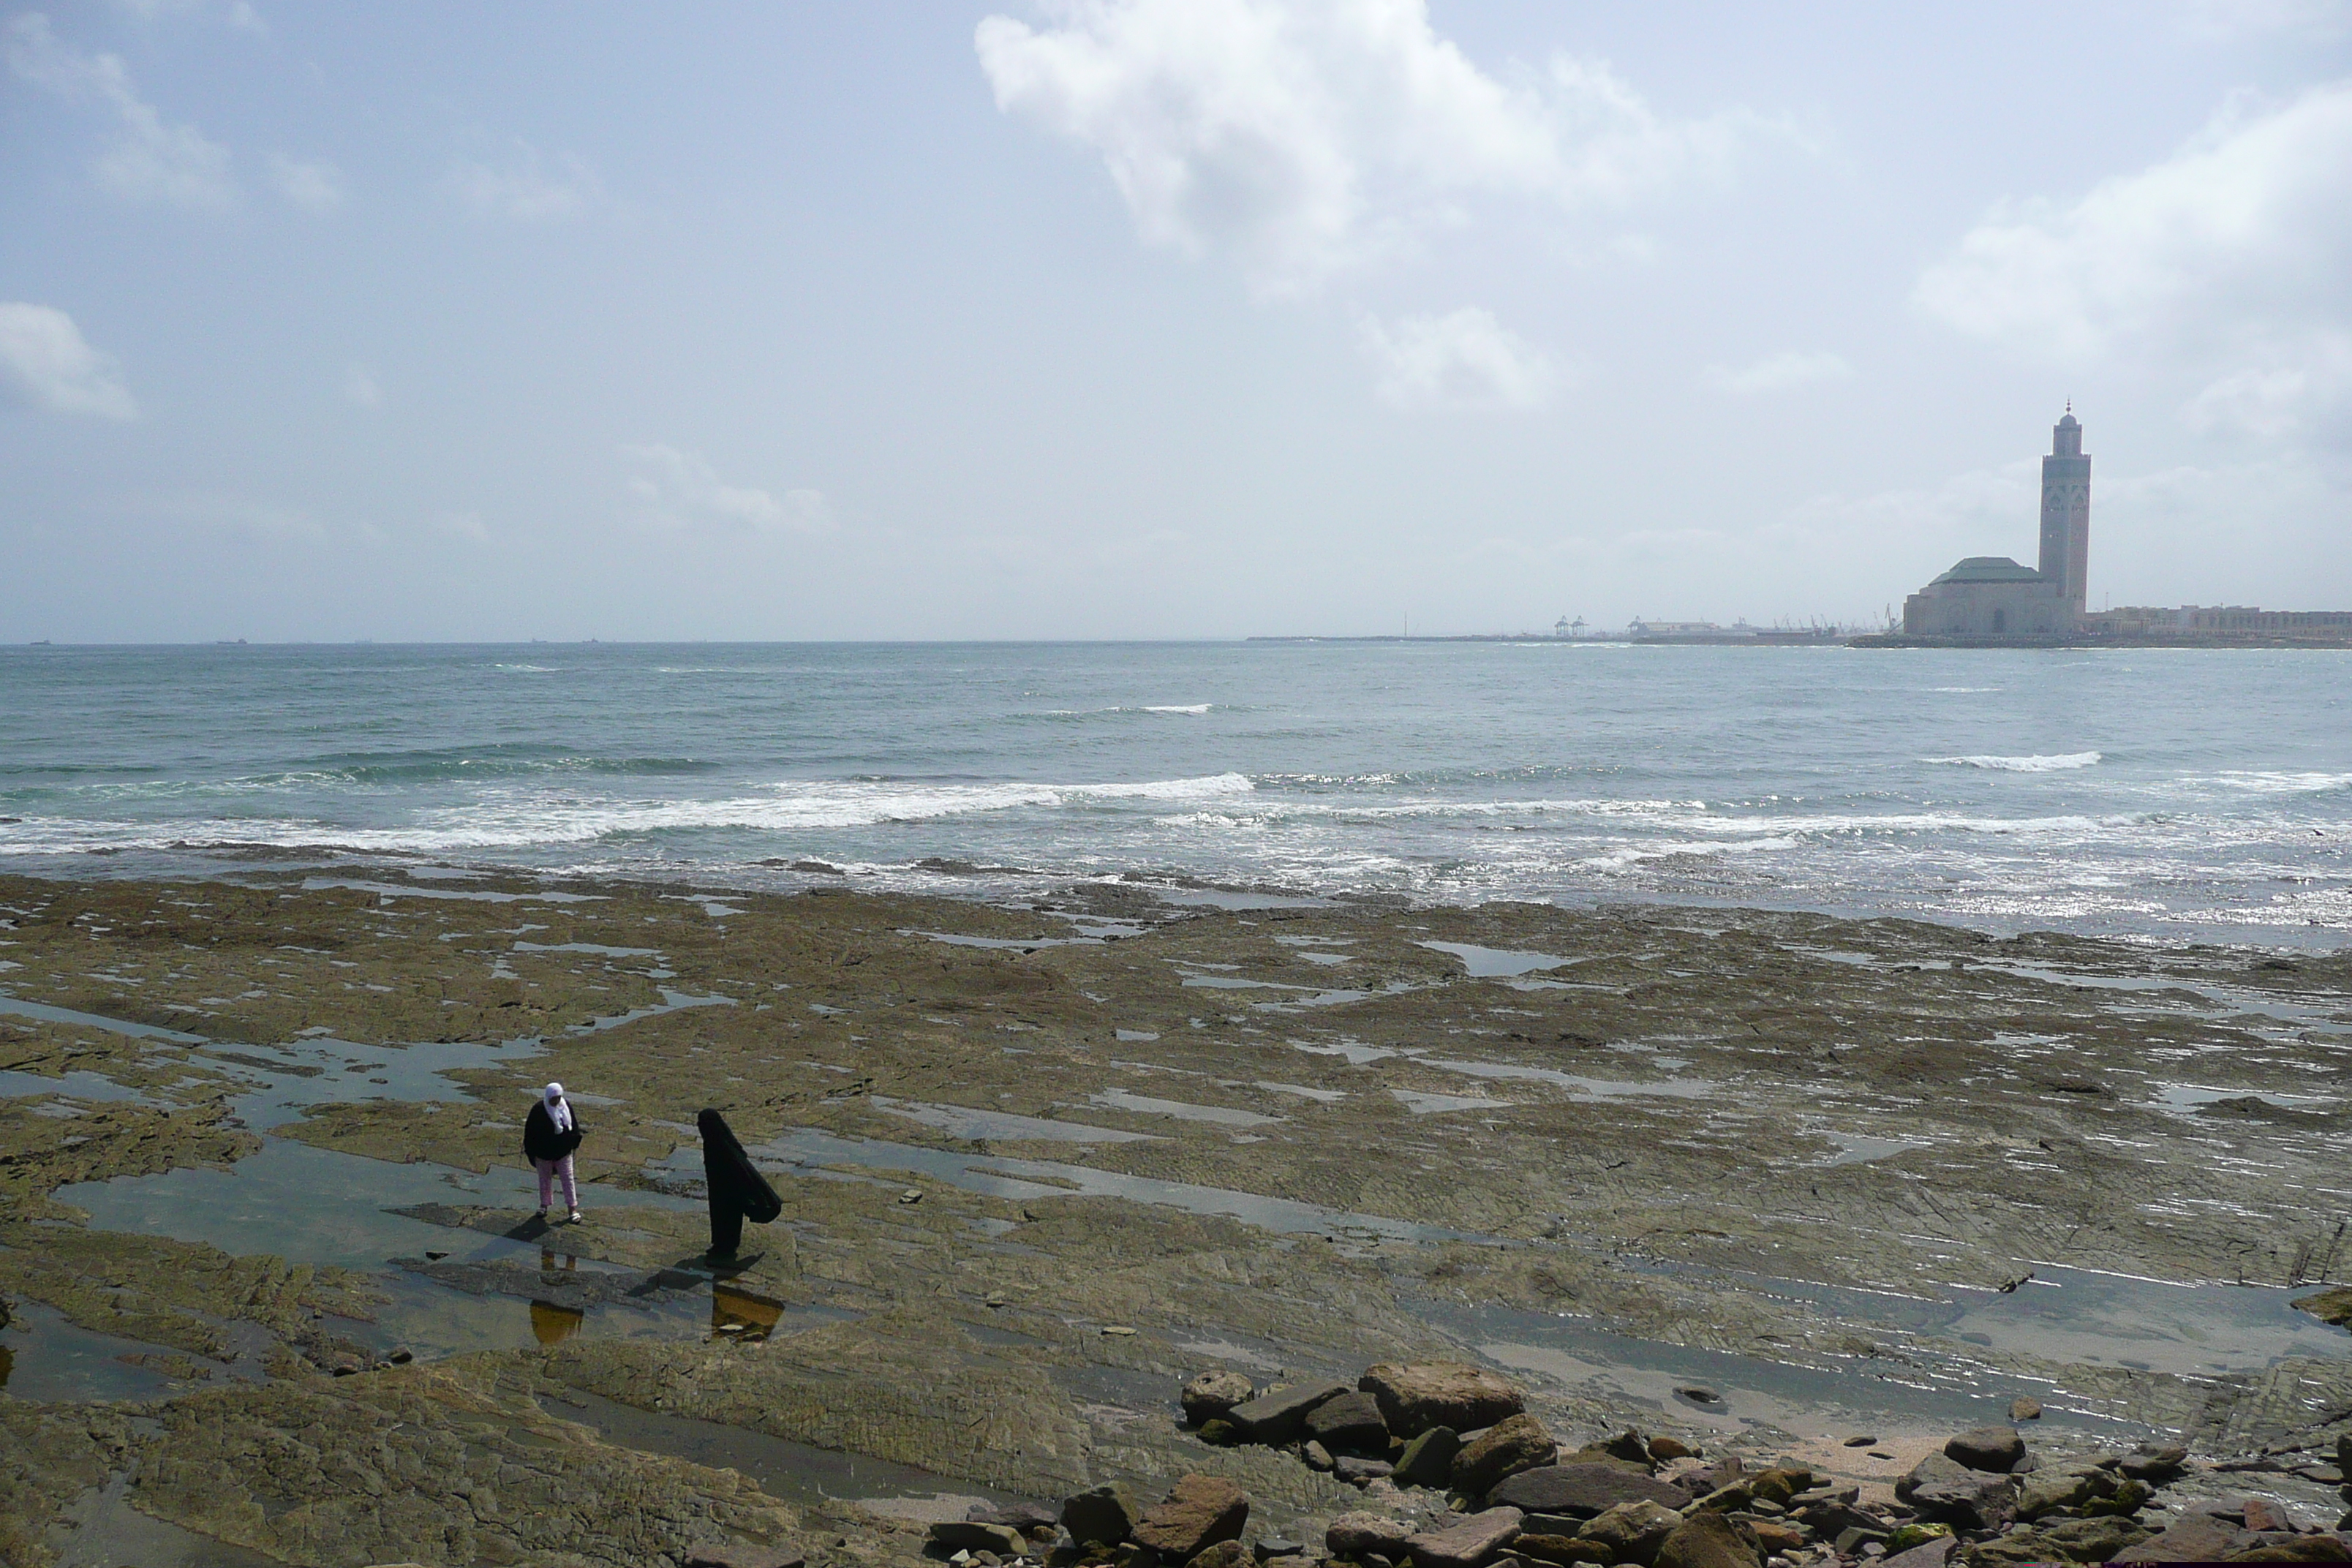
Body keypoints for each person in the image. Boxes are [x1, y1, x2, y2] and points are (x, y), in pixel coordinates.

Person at [696, 1107, 782, 1259]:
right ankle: (723, 1244)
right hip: (723, 1188)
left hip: (727, 1189)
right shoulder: (720, 1138)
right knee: (725, 1216)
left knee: (725, 1216)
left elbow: (735, 1167)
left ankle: (724, 1246)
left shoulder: (720, 1145)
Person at [523, 1082, 585, 1224]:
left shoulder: (565, 1107)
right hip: (543, 1154)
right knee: (545, 1180)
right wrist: (531, 1153)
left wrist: (574, 1143)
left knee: (568, 1179)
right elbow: (530, 1133)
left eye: (558, 1097)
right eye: (554, 1098)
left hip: (563, 1152)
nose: (556, 1101)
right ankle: (544, 1206)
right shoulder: (538, 1110)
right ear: (548, 1096)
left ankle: (572, 1209)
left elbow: (573, 1127)